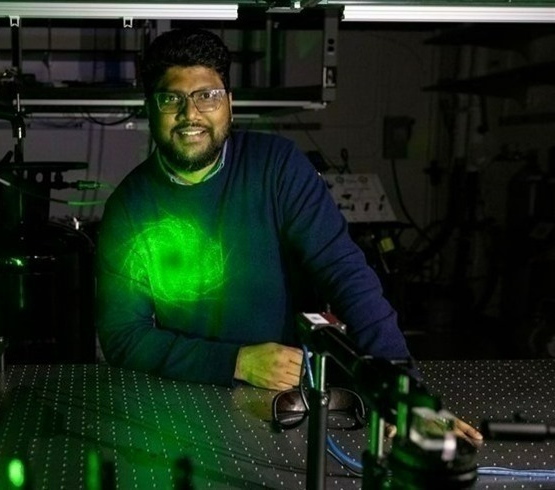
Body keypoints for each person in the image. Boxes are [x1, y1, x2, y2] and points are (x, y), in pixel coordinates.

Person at [94, 27, 482, 441]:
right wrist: (236, 362)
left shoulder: (277, 167)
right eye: (172, 99)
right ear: (150, 109)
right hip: (185, 404)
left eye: (207, 95)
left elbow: (345, 273)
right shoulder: (129, 207)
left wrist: (406, 395)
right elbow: (123, 336)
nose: (191, 114)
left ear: (230, 104)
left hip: (292, 403)